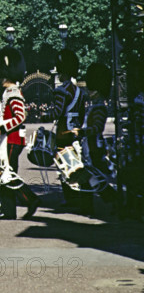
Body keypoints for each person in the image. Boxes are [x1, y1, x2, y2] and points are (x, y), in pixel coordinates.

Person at [0, 47, 41, 220]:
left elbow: (20, 116)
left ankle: (31, 199)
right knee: (5, 174)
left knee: (8, 174)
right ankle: (8, 211)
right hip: (9, 138)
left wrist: (2, 128)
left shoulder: (13, 92)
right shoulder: (8, 92)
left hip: (13, 138)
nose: (0, 79)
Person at [72, 62, 116, 216]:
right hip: (89, 146)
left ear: (96, 90)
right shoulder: (95, 106)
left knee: (95, 177)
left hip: (94, 146)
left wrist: (83, 132)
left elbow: (97, 128)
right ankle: (86, 206)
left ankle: (114, 200)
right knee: (87, 176)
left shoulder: (99, 108)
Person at [50, 49, 86, 206]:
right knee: (77, 163)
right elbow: (82, 113)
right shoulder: (79, 91)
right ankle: (79, 196)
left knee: (63, 164)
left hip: (63, 132)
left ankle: (70, 198)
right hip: (76, 131)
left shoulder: (62, 91)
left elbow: (57, 113)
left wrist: (44, 117)